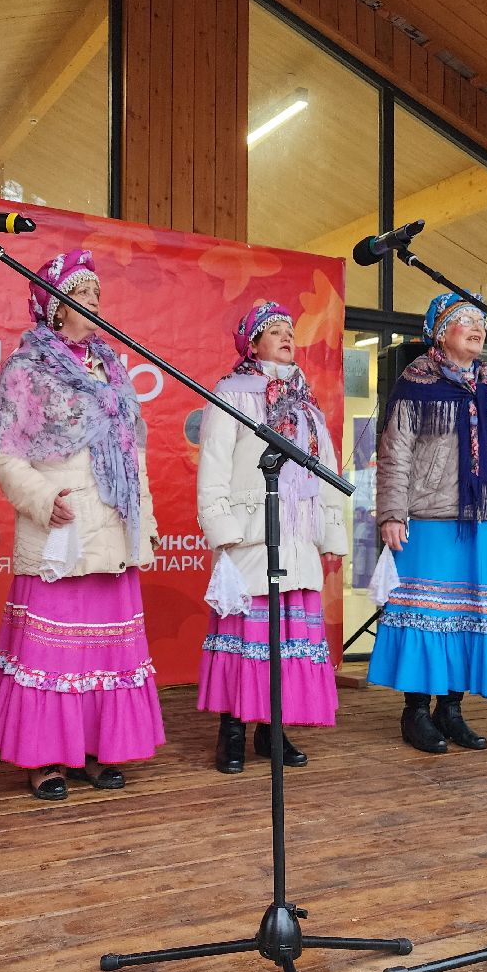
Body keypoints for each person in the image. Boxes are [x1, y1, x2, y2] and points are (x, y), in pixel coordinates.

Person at [0, 249, 165, 799]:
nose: (93, 305)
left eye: (97, 296)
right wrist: (41, 498)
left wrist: (144, 521)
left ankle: (94, 750)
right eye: (81, 296)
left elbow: (135, 458)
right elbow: (4, 454)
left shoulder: (113, 369)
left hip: (112, 526)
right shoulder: (26, 369)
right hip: (62, 525)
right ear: (53, 308)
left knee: (105, 650)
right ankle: (46, 758)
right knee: (52, 652)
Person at [367, 292, 487, 752]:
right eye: (464, 321)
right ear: (440, 332)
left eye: (481, 322)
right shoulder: (415, 381)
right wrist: (392, 514)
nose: (478, 328)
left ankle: (451, 710)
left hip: (478, 522)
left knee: (467, 617)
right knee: (425, 618)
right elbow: (394, 454)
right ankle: (415, 712)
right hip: (428, 519)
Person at [196, 303, 346, 772]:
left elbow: (327, 472)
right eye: (274, 331)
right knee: (247, 637)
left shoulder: (307, 402)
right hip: (251, 534)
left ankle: (271, 729)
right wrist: (223, 532)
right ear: (252, 343)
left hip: (297, 538)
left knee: (285, 642)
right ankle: (232, 732)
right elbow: (214, 467)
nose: (286, 337)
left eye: (289, 330)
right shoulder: (230, 395)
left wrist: (331, 535)